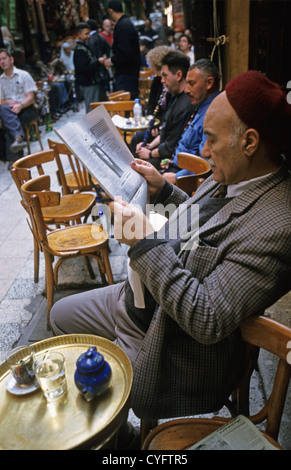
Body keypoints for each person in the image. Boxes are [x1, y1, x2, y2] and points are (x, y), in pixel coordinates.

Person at [50, 71, 291, 445]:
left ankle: (120, 440)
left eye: (210, 140)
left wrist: (143, 244)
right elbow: (204, 222)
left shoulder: (279, 224)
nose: (205, 151)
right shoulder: (237, 170)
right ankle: (119, 429)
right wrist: (163, 189)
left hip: (168, 337)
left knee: (94, 401)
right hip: (139, 300)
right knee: (60, 317)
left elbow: (207, 317)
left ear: (249, 141)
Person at [161, 59, 220, 183]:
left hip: (185, 178)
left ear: (209, 83)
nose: (186, 90)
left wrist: (176, 178)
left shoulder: (213, 113)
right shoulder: (200, 105)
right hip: (174, 166)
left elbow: (207, 164)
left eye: (192, 84)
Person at [135, 50, 194, 169]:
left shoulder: (185, 105)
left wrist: (150, 153)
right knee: (137, 145)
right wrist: (149, 146)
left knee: (137, 166)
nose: (162, 80)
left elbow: (170, 146)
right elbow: (165, 132)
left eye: (165, 75)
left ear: (178, 75)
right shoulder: (175, 96)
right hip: (165, 152)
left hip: (171, 160)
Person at [0, 48, 37, 169]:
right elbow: (0, 102)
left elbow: (30, 98)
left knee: (10, 122)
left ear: (11, 59)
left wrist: (20, 105)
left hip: (26, 109)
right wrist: (8, 101)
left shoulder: (24, 75)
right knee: (5, 110)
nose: (2, 62)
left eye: (4, 58)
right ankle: (18, 138)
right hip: (10, 111)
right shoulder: (0, 80)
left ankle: (14, 158)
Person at [99, 1, 141, 99]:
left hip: (126, 73)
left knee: (124, 103)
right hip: (131, 72)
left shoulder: (122, 26)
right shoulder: (127, 23)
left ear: (111, 11)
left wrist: (111, 60)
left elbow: (124, 52)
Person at [73, 22, 105, 113]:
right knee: (92, 110)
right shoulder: (80, 50)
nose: (88, 36)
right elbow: (84, 69)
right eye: (86, 34)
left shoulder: (84, 47)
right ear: (79, 35)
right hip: (88, 83)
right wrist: (98, 62)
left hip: (91, 82)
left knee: (94, 108)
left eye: (89, 34)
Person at [87, 19, 110, 101]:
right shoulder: (101, 37)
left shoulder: (92, 39)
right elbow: (108, 50)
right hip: (103, 66)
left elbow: (92, 54)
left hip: (97, 67)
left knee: (98, 95)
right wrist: (105, 58)